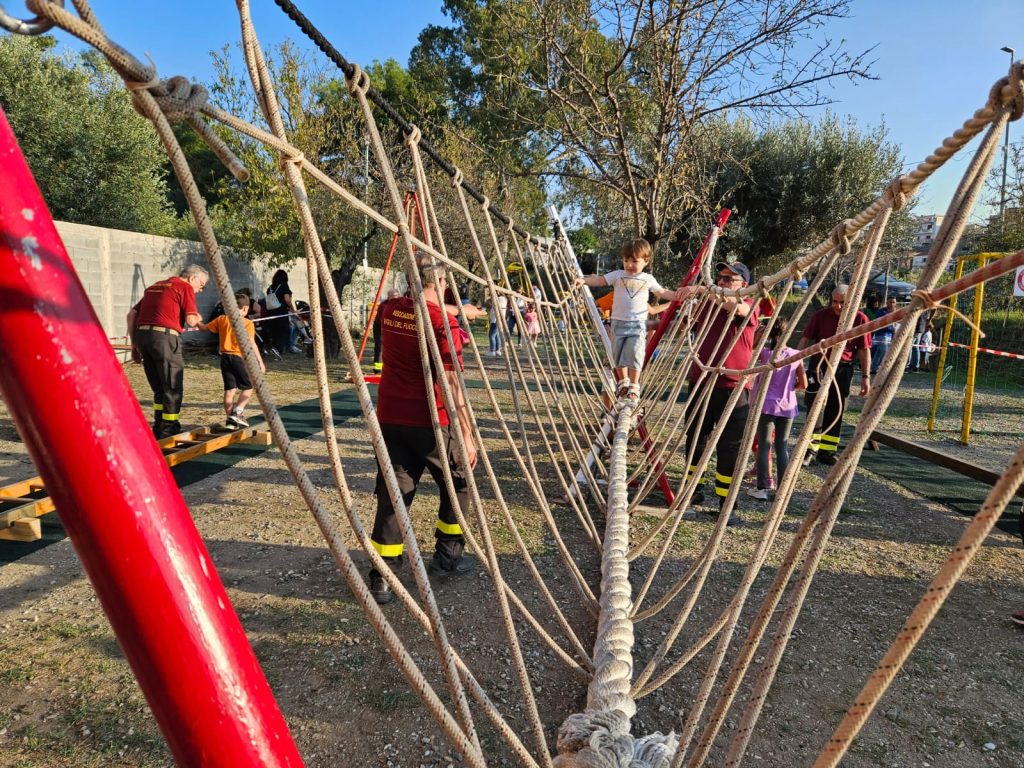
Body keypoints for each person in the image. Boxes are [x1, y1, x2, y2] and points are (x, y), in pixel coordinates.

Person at [368, 259, 478, 605]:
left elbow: (417, 305)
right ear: (443, 281)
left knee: (394, 493)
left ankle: (383, 575)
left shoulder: (390, 310)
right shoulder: (442, 325)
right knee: (459, 481)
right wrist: (468, 434)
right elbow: (449, 380)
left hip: (390, 418)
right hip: (432, 421)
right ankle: (447, 554)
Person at [676, 261, 758, 525]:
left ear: (743, 286)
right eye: (720, 277)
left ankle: (726, 505)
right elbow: (683, 327)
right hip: (702, 381)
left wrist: (704, 289)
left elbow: (737, 307)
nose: (721, 282)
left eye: (728, 279)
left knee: (729, 447)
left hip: (732, 387)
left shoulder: (748, 306)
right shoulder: (709, 305)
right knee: (695, 437)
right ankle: (692, 492)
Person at [575, 238, 681, 400]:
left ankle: (634, 384)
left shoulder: (647, 279)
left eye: (634, 261)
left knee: (635, 352)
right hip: (618, 322)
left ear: (645, 261)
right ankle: (623, 382)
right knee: (617, 353)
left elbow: (662, 292)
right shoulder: (618, 275)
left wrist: (677, 296)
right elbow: (601, 280)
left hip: (637, 324)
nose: (629, 264)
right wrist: (584, 280)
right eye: (626, 260)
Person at [126, 264, 209, 439]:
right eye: (202, 285)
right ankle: (169, 429)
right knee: (172, 387)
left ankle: (159, 426)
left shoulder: (155, 286)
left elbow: (131, 314)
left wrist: (134, 344)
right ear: (192, 278)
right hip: (165, 339)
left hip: (144, 338)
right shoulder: (184, 287)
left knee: (159, 388)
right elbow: (192, 320)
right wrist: (202, 321)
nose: (200, 290)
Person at [798, 284, 872, 466]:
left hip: (843, 368)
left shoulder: (860, 319)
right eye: (834, 302)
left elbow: (864, 350)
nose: (837, 306)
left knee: (836, 407)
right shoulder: (821, 316)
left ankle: (828, 450)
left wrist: (865, 377)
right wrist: (794, 364)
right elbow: (805, 339)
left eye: (842, 303)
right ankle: (810, 450)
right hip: (819, 366)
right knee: (815, 407)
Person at [746, 323, 807, 500]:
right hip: (787, 406)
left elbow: (750, 351)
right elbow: (804, 384)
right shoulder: (796, 355)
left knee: (764, 446)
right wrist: (790, 387)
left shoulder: (764, 354)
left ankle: (762, 488)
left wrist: (758, 335)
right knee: (782, 446)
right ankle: (783, 488)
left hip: (765, 405)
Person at [198, 293, 266, 429]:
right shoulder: (247, 323)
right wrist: (260, 362)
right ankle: (238, 412)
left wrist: (198, 321)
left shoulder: (222, 319)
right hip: (238, 358)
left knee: (230, 390)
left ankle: (230, 420)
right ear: (245, 308)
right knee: (249, 387)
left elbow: (204, 329)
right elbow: (252, 343)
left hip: (224, 357)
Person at [264, 269, 295, 356]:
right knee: (284, 331)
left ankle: (274, 348)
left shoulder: (270, 288)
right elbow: (287, 299)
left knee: (275, 332)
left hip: (271, 312)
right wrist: (292, 309)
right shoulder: (284, 285)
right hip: (281, 312)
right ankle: (277, 349)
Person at [373, 289, 401, 371]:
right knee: (379, 347)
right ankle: (377, 369)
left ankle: (393, 368)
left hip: (393, 327)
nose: (394, 298)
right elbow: (384, 320)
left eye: (396, 296)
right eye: (392, 296)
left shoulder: (401, 304)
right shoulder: (383, 306)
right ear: (388, 297)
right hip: (380, 327)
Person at [869, 296, 897, 374]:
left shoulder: (897, 312)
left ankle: (883, 368)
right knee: (881, 351)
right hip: (881, 335)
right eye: (890, 302)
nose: (892, 304)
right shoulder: (881, 312)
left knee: (887, 353)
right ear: (887, 302)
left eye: (893, 302)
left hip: (891, 336)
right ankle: (874, 368)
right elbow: (881, 323)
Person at [487, 293, 508, 357]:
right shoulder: (504, 299)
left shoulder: (499, 299)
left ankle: (492, 350)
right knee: (496, 335)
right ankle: (497, 350)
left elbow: (494, 306)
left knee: (491, 335)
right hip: (498, 319)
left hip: (495, 319)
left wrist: (490, 303)